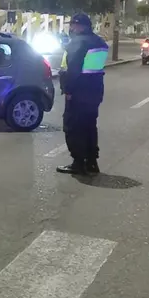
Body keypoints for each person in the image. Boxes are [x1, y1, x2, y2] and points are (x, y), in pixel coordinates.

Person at [56, 13, 109, 176]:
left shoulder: (78, 42)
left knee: (73, 127)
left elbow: (73, 69)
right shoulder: (100, 42)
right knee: (89, 126)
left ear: (80, 26)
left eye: (72, 25)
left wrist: (69, 90)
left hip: (78, 91)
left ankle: (78, 163)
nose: (71, 28)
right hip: (95, 90)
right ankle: (92, 161)